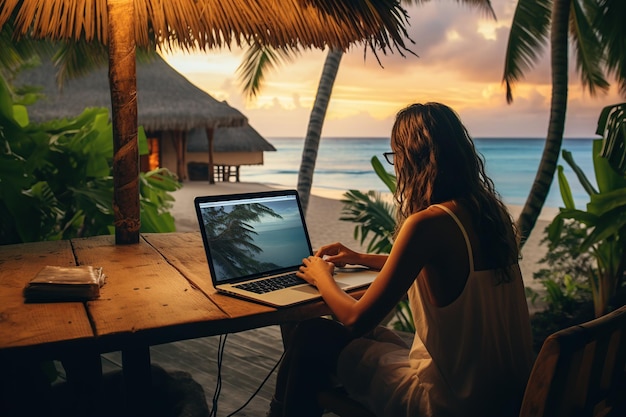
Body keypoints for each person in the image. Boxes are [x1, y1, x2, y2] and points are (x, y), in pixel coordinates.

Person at [267, 102, 534, 417]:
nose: (394, 166)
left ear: (413, 157)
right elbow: (441, 264)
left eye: (395, 154)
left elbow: (355, 320)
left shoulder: (426, 223)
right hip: (502, 395)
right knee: (360, 343)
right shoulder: (488, 213)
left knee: (313, 335)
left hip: (447, 402)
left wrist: (320, 274)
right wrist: (359, 258)